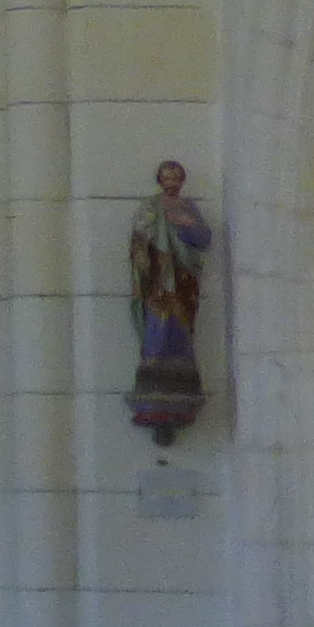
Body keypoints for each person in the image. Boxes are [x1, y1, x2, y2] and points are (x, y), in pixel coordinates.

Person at [128, 160, 214, 437]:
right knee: (157, 327)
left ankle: (182, 381)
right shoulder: (150, 208)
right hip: (158, 280)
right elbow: (139, 240)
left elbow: (203, 239)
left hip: (183, 281)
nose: (172, 182)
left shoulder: (189, 208)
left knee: (181, 328)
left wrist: (187, 224)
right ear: (160, 180)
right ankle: (153, 381)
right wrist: (150, 240)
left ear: (183, 181)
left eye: (176, 177)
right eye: (167, 177)